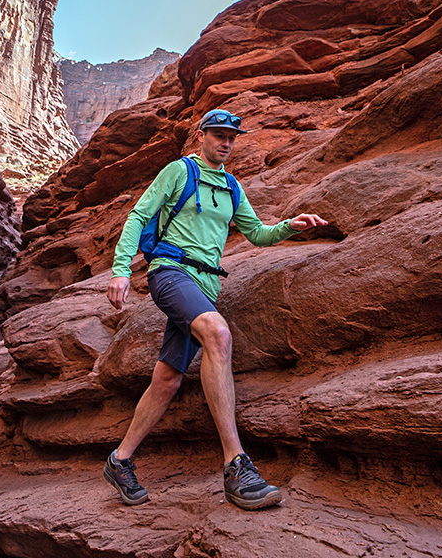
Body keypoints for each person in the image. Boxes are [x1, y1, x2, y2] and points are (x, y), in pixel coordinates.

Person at [103, 108, 328, 509]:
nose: (226, 142)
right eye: (219, 134)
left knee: (169, 379)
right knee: (218, 333)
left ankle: (119, 460)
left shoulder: (231, 187)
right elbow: (139, 215)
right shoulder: (179, 171)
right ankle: (236, 464)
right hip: (171, 272)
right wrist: (121, 268)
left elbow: (257, 234)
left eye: (232, 136)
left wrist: (290, 226)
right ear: (202, 135)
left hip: (205, 285)